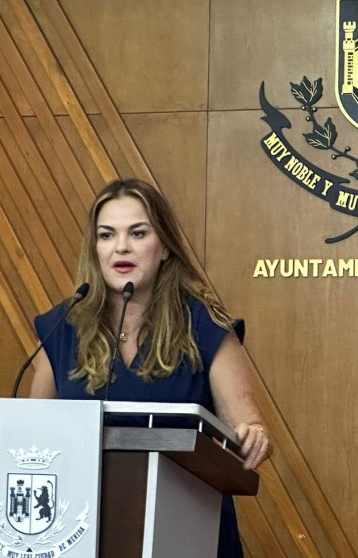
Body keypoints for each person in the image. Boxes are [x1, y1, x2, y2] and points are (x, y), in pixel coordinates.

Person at [30, 178, 270, 557]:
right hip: (84, 529)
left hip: (188, 528)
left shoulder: (203, 325)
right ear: (95, 249)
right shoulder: (64, 326)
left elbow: (248, 425)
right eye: (107, 235)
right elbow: (30, 428)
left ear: (165, 248)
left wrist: (254, 436)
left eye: (138, 233)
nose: (121, 246)